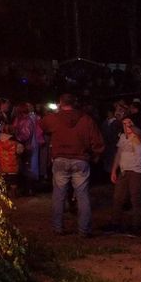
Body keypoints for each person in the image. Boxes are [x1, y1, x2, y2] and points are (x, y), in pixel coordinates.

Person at [40, 94, 104, 237]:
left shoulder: (55, 118)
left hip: (60, 159)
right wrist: (95, 154)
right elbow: (97, 141)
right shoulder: (86, 119)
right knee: (82, 196)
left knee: (59, 195)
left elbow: (41, 125)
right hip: (80, 160)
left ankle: (58, 227)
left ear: (61, 103)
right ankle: (84, 230)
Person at [109, 117, 141, 235]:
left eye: (129, 123)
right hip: (124, 171)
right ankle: (115, 224)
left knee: (136, 199)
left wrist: (130, 125)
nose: (127, 126)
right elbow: (118, 154)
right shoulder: (122, 138)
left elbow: (139, 132)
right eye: (124, 124)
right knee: (118, 198)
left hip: (136, 171)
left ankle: (136, 227)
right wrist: (114, 170)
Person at [0, 127, 22, 198]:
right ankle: (14, 195)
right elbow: (20, 151)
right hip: (13, 168)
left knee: (4, 183)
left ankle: (4, 196)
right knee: (13, 182)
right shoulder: (16, 143)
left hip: (2, 168)